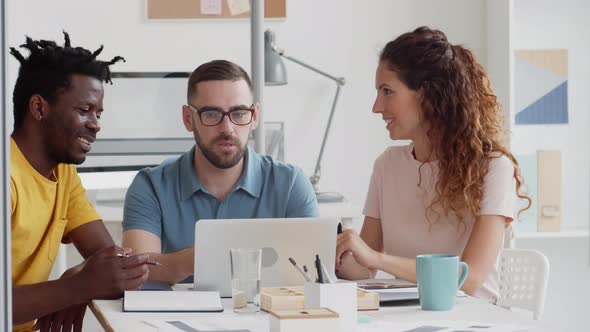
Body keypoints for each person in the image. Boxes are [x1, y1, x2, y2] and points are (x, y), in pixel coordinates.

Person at [335, 26, 530, 303]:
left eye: (387, 91)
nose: (376, 107)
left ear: (428, 95)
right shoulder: (386, 166)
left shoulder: (493, 168)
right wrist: (335, 256)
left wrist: (377, 258)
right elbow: (364, 268)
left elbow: (470, 279)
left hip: (471, 320)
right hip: (405, 317)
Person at [122, 59, 319, 285]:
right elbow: (139, 270)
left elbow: (312, 270)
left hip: (267, 316)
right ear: (189, 118)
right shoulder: (151, 185)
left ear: (254, 117)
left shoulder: (291, 183)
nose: (227, 128)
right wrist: (200, 257)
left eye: (239, 113)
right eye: (212, 114)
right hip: (175, 318)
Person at [9, 32, 151, 332]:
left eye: (98, 113)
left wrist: (79, 282)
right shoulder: (5, 177)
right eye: (83, 110)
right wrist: (77, 288)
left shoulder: (63, 174)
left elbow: (115, 265)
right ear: (38, 108)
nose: (96, 124)